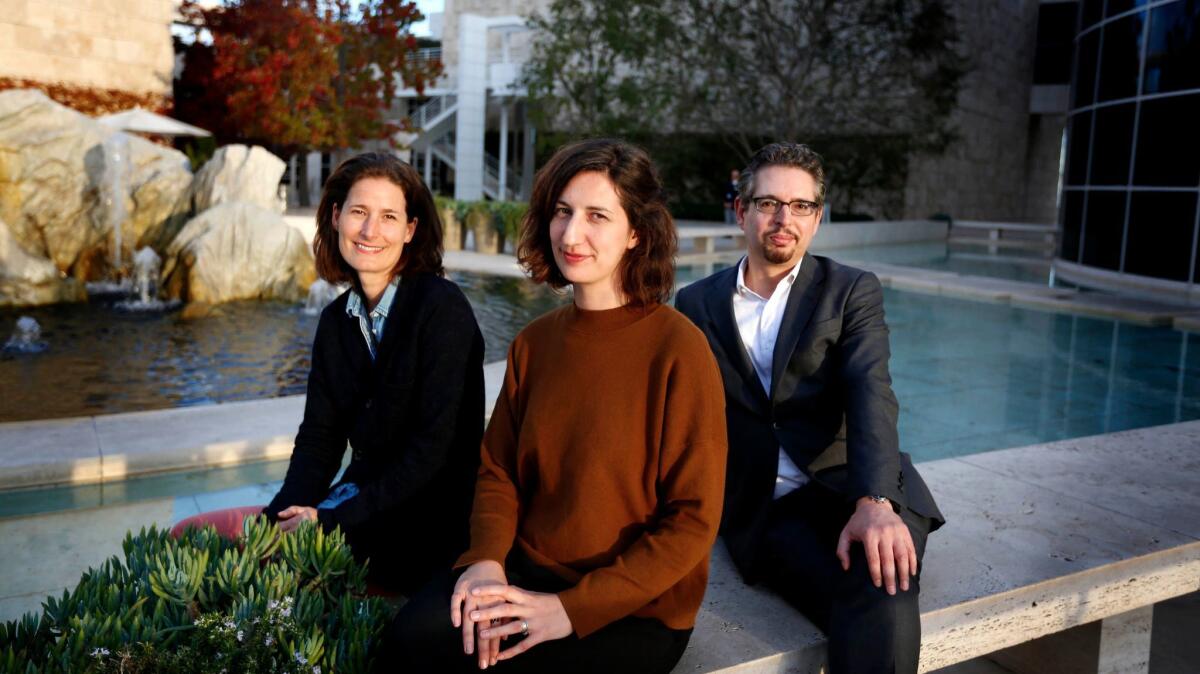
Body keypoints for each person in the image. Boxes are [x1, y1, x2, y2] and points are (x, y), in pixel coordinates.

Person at [381, 139, 727, 673]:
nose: (572, 234)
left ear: (636, 233)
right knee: (411, 638)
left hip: (633, 607)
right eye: (563, 212)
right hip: (527, 572)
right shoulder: (535, 343)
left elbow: (692, 521)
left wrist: (569, 610)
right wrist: (486, 562)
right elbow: (498, 471)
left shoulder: (679, 349)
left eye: (597, 216)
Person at [676, 142, 945, 674]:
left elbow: (872, 390)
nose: (784, 219)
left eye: (801, 206)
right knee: (865, 601)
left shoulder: (849, 291)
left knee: (881, 584)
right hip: (772, 510)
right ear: (742, 211)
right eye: (769, 203)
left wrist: (874, 501)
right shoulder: (696, 303)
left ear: (817, 218)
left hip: (856, 484)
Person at [263, 151, 485, 595]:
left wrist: (327, 520)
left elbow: (432, 454)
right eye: (359, 212)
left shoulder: (441, 309)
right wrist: (280, 518)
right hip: (367, 504)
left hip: (435, 521)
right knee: (253, 558)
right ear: (335, 216)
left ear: (410, 230)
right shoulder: (334, 321)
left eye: (388, 217)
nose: (370, 231)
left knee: (306, 591)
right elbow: (319, 440)